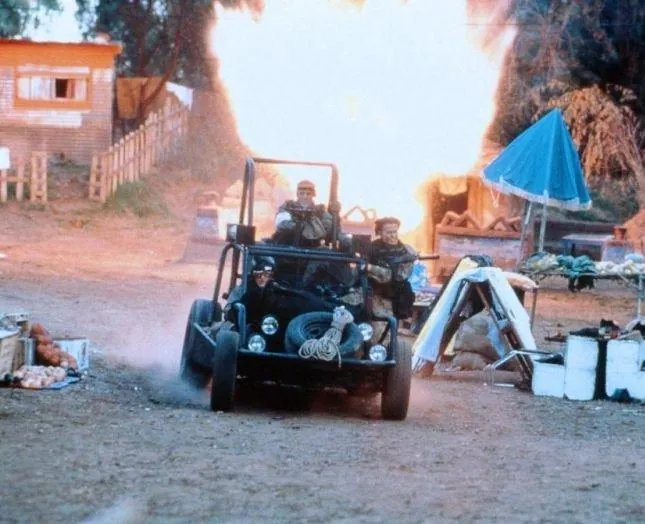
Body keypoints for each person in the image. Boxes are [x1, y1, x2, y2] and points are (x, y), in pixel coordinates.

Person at [367, 217, 417, 321]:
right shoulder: (371, 248)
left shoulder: (406, 250)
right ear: (380, 232)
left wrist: (373, 269)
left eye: (395, 232)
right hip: (377, 296)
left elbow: (401, 275)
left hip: (398, 296)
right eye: (389, 232)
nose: (393, 235)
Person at [272, 179, 333, 248]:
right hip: (286, 248)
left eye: (308, 194)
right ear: (297, 194)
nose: (305, 197)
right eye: (302, 193)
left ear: (313, 194)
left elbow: (329, 227)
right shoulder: (287, 207)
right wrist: (300, 226)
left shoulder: (320, 211)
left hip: (313, 249)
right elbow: (281, 223)